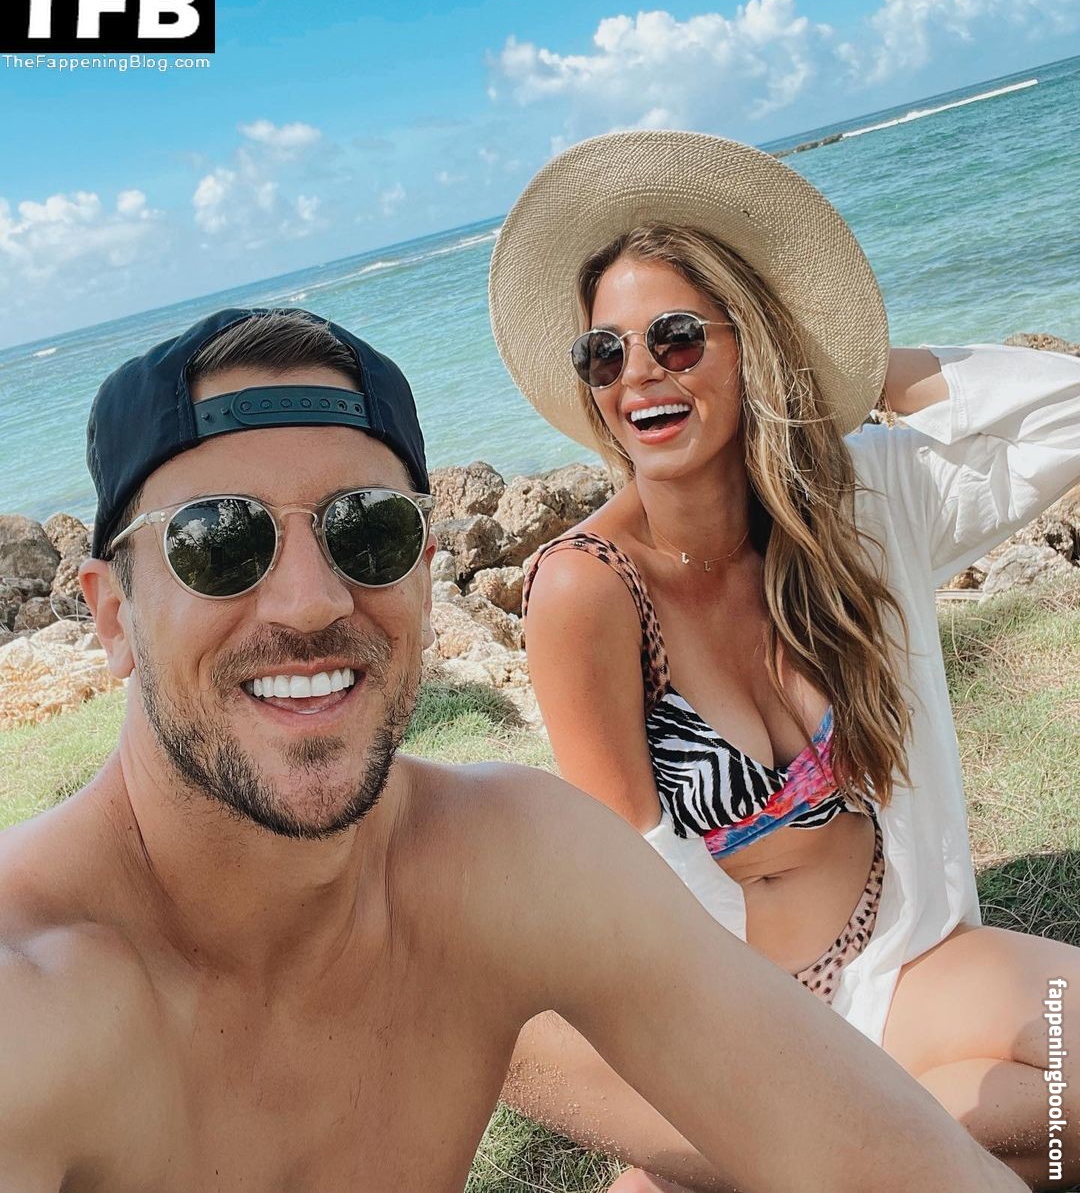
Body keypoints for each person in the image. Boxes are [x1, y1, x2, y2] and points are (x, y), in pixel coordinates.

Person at [0, 306, 1027, 1191]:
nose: (311, 601)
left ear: (424, 574)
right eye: (220, 541)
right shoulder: (33, 1009)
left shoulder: (505, 867)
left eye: (368, 532)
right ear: (113, 614)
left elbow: (889, 1160)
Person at [488, 130, 1080, 1192]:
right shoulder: (586, 588)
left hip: (908, 961)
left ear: (752, 341)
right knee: (1007, 1137)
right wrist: (775, 1088)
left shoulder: (853, 506)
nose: (638, 374)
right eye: (604, 353)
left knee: (1049, 1110)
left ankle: (880, 1151)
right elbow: (641, 888)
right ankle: (854, 1147)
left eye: (677, 338)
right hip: (754, 1039)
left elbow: (1063, 415)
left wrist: (851, 365)